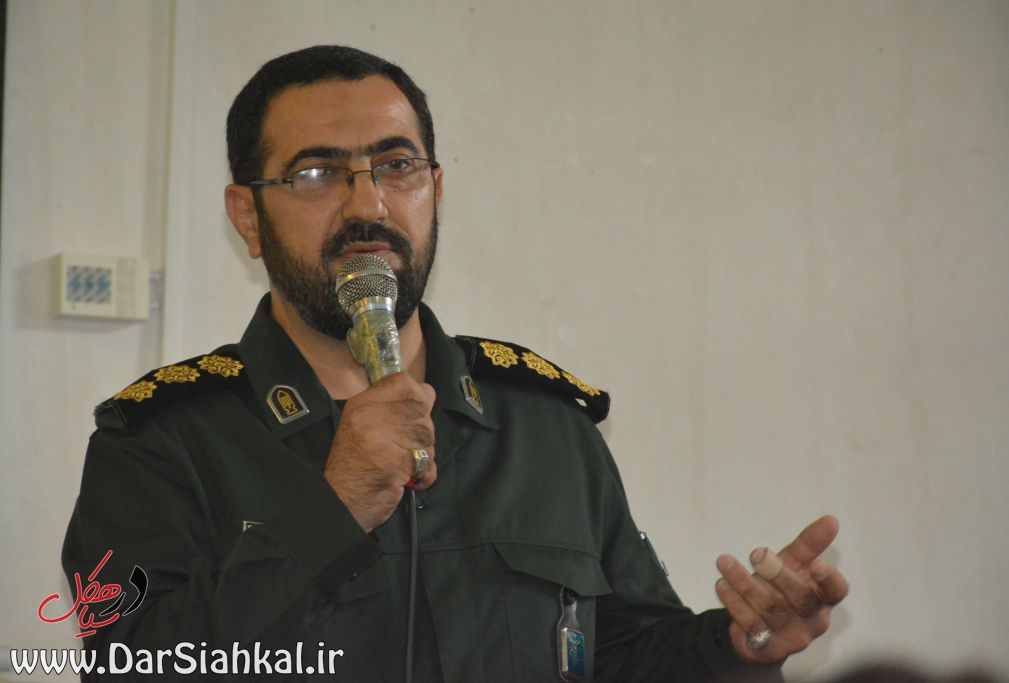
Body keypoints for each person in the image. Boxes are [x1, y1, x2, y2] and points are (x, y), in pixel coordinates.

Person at [62, 45, 848, 681]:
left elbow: (621, 655)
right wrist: (334, 508)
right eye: (317, 173)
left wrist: (739, 645)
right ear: (248, 215)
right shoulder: (157, 445)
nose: (368, 204)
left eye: (396, 166)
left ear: (434, 189)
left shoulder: (543, 425)